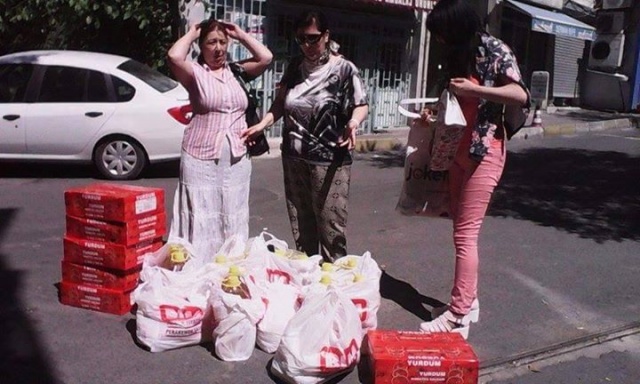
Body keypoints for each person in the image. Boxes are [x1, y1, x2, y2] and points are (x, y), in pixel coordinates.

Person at [418, 0, 530, 339]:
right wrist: (434, 115)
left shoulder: (495, 49)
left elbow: (520, 95)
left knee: (466, 236)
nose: (437, 40)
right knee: (460, 231)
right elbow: (457, 102)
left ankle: (457, 315)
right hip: (457, 150)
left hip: (485, 151)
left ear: (456, 26)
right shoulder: (459, 52)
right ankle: (470, 302)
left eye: (440, 32)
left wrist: (476, 89)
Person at [241, 10, 368, 262]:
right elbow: (280, 104)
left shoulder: (344, 69)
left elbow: (361, 103)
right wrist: (263, 124)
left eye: (313, 38)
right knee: (301, 223)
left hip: (329, 159)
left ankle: (335, 285)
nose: (307, 45)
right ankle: (310, 279)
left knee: (331, 227)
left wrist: (353, 122)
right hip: (294, 157)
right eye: (301, 39)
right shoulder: (294, 67)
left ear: (326, 35)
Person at [167, 19, 273, 259]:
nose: (218, 48)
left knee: (232, 209)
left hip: (236, 157)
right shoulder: (194, 72)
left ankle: (229, 261)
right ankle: (199, 261)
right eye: (211, 42)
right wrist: (193, 32)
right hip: (199, 156)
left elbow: (266, 58)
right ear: (201, 47)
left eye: (222, 42)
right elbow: (174, 56)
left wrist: (241, 35)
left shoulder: (236, 71)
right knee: (202, 209)